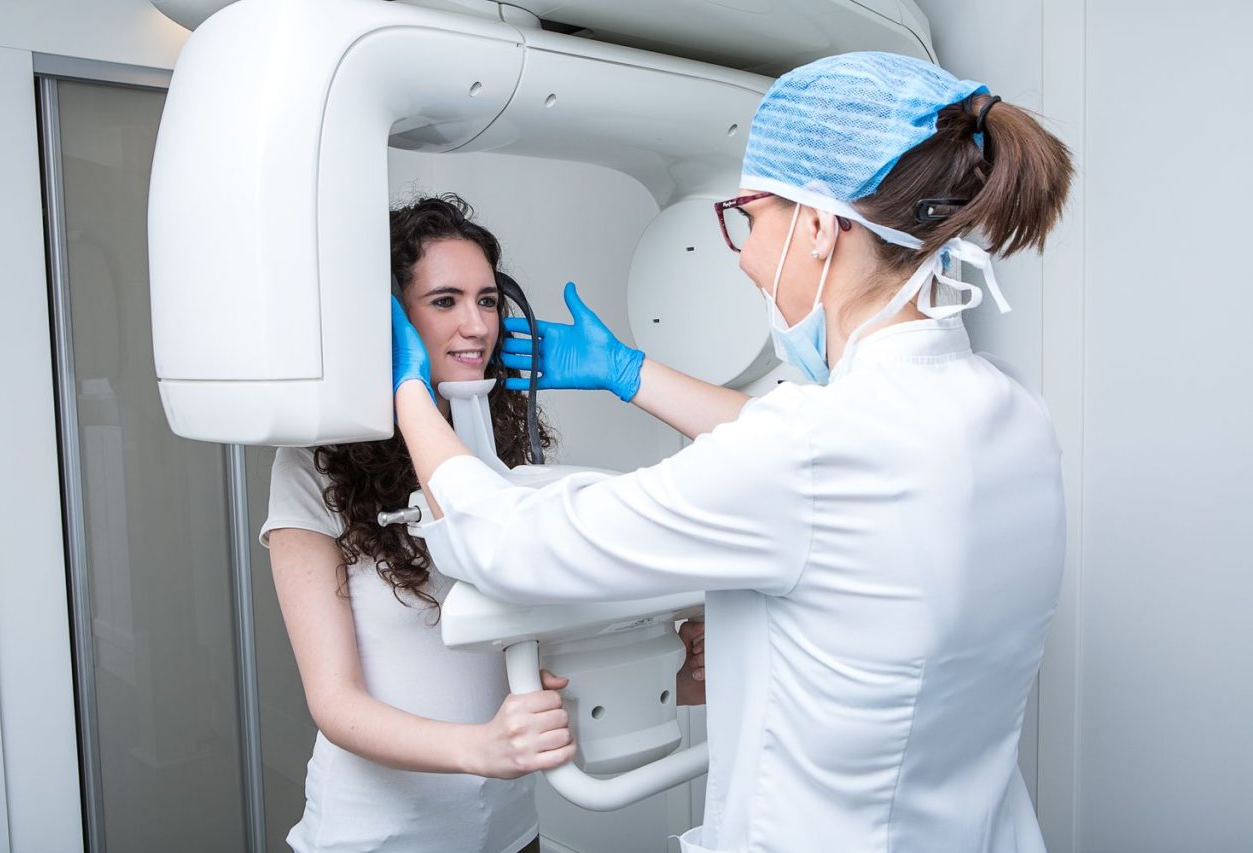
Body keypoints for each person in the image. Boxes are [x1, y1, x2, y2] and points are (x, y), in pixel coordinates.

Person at [389, 53, 1074, 852]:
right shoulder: (1009, 408)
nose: (745, 256)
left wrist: (407, 389)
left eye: (749, 218)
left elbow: (509, 539)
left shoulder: (810, 452)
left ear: (819, 228)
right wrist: (630, 373)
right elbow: (797, 449)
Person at [262, 195, 574, 853]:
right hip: (378, 836)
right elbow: (335, 702)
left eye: (488, 300)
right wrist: (479, 746)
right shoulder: (313, 464)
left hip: (512, 828)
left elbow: (521, 626)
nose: (477, 325)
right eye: (445, 301)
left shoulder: (502, 441)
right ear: (390, 320)